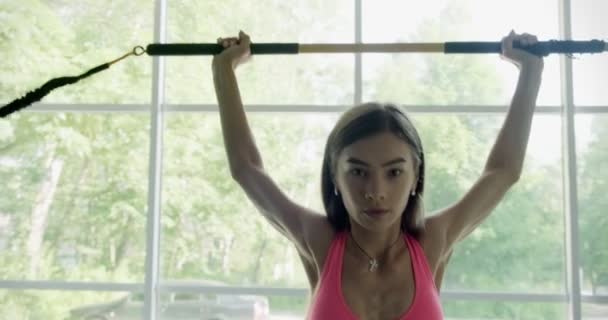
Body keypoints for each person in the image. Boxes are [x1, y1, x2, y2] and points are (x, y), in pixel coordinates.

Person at [212, 30, 543, 320]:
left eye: (394, 172)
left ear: (416, 177)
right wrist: (223, 70)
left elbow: (503, 171)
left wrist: (530, 70)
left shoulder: (433, 241)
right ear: (335, 177)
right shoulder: (319, 241)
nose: (375, 190)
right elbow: (247, 169)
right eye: (357, 171)